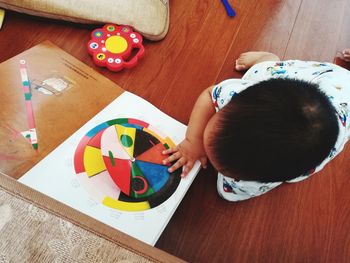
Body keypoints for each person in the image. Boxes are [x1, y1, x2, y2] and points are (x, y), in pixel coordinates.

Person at [162, 51, 350, 201]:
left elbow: (226, 193)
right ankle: (268, 58)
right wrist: (193, 141)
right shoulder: (238, 95)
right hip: (320, 76)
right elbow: (209, 95)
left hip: (340, 102)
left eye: (223, 169)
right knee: (266, 69)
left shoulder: (254, 182)